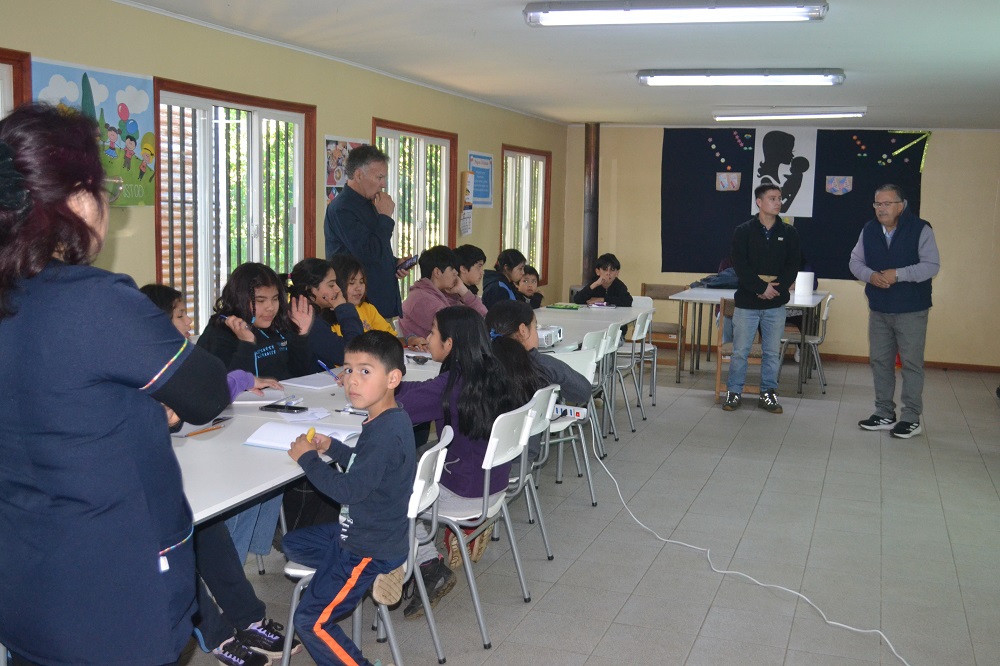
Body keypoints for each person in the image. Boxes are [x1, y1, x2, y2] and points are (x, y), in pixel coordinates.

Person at [0, 103, 230, 665]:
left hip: (22, 579)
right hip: (111, 594)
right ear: (78, 200)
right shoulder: (96, 302)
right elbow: (207, 393)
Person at [139, 283, 298, 666]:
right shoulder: (138, 365)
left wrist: (243, 380)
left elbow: (205, 394)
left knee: (207, 528)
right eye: (180, 315)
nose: (189, 321)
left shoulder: (178, 356)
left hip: (166, 469)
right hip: (135, 490)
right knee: (178, 535)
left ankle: (249, 618)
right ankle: (218, 635)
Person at [282, 331, 416, 666]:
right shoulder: (388, 418)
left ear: (393, 378)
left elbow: (348, 491)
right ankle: (366, 576)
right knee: (292, 544)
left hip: (366, 546)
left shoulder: (383, 435)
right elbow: (368, 469)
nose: (351, 380)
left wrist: (307, 459)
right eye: (348, 369)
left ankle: (369, 574)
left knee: (310, 621)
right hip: (362, 531)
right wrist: (335, 448)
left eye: (365, 371)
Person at [394, 306, 531, 619]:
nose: (427, 338)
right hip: (492, 485)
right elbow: (422, 392)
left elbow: (404, 405)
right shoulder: (493, 372)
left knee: (388, 496)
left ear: (451, 344)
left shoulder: (451, 387)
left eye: (432, 333)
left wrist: (375, 384)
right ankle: (421, 558)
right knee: (419, 461)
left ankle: (426, 564)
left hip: (463, 492)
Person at [197, 262, 315, 565]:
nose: (270, 308)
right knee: (267, 476)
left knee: (281, 470)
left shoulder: (276, 326)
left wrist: (300, 336)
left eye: (275, 299)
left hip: (272, 420)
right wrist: (247, 345)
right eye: (260, 301)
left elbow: (299, 374)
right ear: (240, 298)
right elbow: (221, 388)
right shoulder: (222, 331)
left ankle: (251, 549)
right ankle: (232, 563)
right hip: (225, 434)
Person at [849, 184, 940, 439]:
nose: (881, 209)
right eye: (877, 204)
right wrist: (871, 276)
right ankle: (884, 413)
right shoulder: (869, 229)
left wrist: (898, 275)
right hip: (879, 309)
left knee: (911, 364)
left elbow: (931, 266)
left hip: (912, 309)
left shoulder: (921, 229)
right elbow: (855, 262)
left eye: (887, 203)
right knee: (880, 362)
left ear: (902, 205)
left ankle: (911, 418)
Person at [723, 183, 800, 414]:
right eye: (772, 198)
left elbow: (792, 265)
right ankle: (733, 392)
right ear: (759, 202)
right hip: (747, 301)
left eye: (780, 198)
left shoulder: (789, 233)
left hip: (775, 301)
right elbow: (740, 265)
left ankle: (768, 394)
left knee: (772, 352)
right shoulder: (743, 231)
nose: (778, 202)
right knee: (740, 351)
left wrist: (774, 289)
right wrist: (759, 287)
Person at [485, 299, 591, 463]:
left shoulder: (477, 365)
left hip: (481, 462)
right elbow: (583, 391)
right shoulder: (543, 365)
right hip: (522, 460)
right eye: (535, 326)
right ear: (523, 330)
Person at [323, 144, 414, 319]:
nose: (383, 184)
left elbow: (376, 247)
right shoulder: (342, 208)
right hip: (360, 304)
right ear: (358, 175)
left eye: (384, 177)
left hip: (382, 302)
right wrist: (386, 217)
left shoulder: (371, 202)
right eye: (379, 177)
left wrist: (394, 263)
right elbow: (368, 253)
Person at [329, 253, 428, 350]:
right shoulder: (329, 315)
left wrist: (409, 340)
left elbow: (389, 340)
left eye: (361, 281)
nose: (358, 288)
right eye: (352, 283)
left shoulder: (367, 308)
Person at [285, 257, 364, 369]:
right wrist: (344, 308)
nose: (337, 289)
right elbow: (354, 353)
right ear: (310, 289)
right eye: (331, 285)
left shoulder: (312, 313)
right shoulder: (306, 319)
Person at [399, 244, 487, 340]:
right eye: (452, 269)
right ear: (437, 272)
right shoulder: (422, 299)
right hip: (428, 354)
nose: (456, 273)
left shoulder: (443, 295)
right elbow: (458, 330)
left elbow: (484, 317)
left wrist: (463, 291)